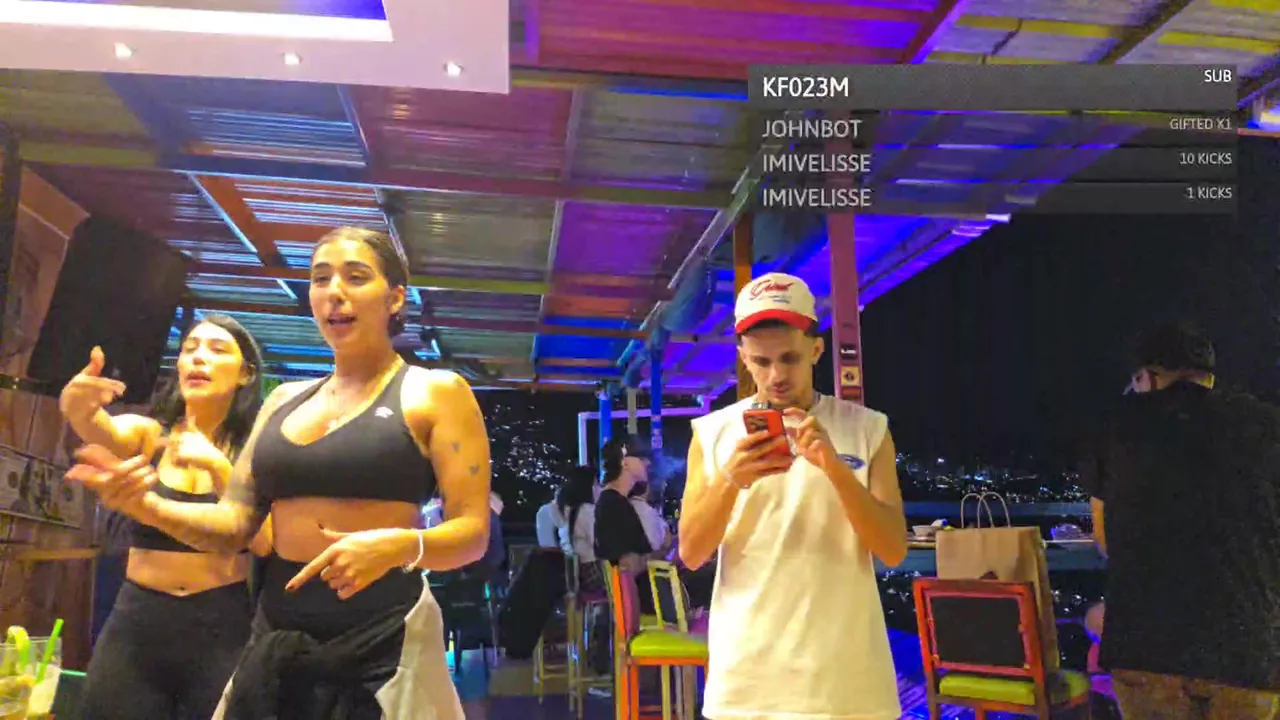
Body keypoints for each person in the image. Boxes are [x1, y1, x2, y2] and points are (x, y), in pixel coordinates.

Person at [67, 226, 491, 720]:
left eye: (356, 277)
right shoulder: (284, 400)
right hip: (276, 638)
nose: (334, 292)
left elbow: (472, 533)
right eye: (321, 279)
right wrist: (145, 505)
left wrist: (401, 546)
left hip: (382, 638)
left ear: (394, 297)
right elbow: (233, 525)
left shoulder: (435, 391)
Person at [679, 272, 907, 720]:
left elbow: (893, 550)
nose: (776, 375)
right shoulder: (712, 433)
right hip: (748, 679)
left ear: (816, 350)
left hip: (846, 679)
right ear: (743, 358)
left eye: (790, 358)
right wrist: (731, 479)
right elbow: (691, 552)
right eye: (761, 362)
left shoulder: (868, 429)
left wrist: (835, 469)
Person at [59, 315, 269, 720]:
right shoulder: (150, 435)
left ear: (246, 374)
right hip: (137, 621)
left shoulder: (256, 452)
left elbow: (265, 542)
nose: (198, 358)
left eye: (217, 350)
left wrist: (219, 467)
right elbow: (102, 428)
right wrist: (77, 407)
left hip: (222, 625)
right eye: (190, 349)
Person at [1081, 323, 1280, 718]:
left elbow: (1106, 540)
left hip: (1146, 650)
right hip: (1248, 653)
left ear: (1149, 377)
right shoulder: (1269, 424)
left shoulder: (1114, 426)